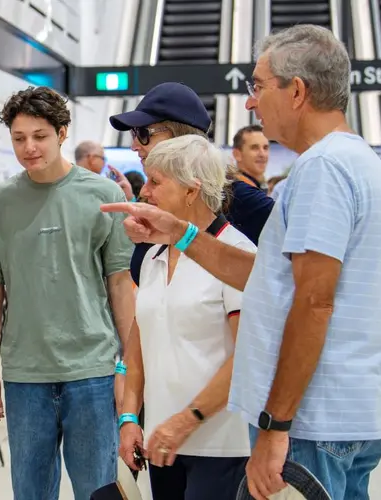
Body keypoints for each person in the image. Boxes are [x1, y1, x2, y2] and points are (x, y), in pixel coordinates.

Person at [101, 24, 381, 500]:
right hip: (347, 412)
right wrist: (181, 234)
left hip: (314, 420)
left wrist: (276, 424)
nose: (249, 102)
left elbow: (314, 303)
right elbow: (272, 280)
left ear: (297, 91)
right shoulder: (355, 163)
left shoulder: (322, 170)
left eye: (257, 86)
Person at [0, 86, 135, 498]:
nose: (29, 147)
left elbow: (120, 283)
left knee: (98, 491)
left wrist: (127, 368)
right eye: (19, 138)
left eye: (39, 136)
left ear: (62, 133)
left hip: (92, 371)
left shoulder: (104, 195)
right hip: (26, 376)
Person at [117, 135, 254, 499]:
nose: (144, 192)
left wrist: (186, 419)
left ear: (192, 190)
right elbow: (139, 342)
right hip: (162, 443)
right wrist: (130, 416)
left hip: (221, 446)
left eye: (155, 182)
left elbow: (248, 357)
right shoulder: (153, 256)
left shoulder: (238, 255)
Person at [107, 82, 275, 288]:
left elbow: (293, 268)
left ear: (181, 136)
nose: (134, 145)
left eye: (143, 133)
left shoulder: (238, 197)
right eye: (133, 134)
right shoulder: (154, 200)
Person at [231, 125, 270, 192]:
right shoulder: (237, 191)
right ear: (237, 154)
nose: (262, 154)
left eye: (265, 148)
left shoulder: (261, 188)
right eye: (255, 148)